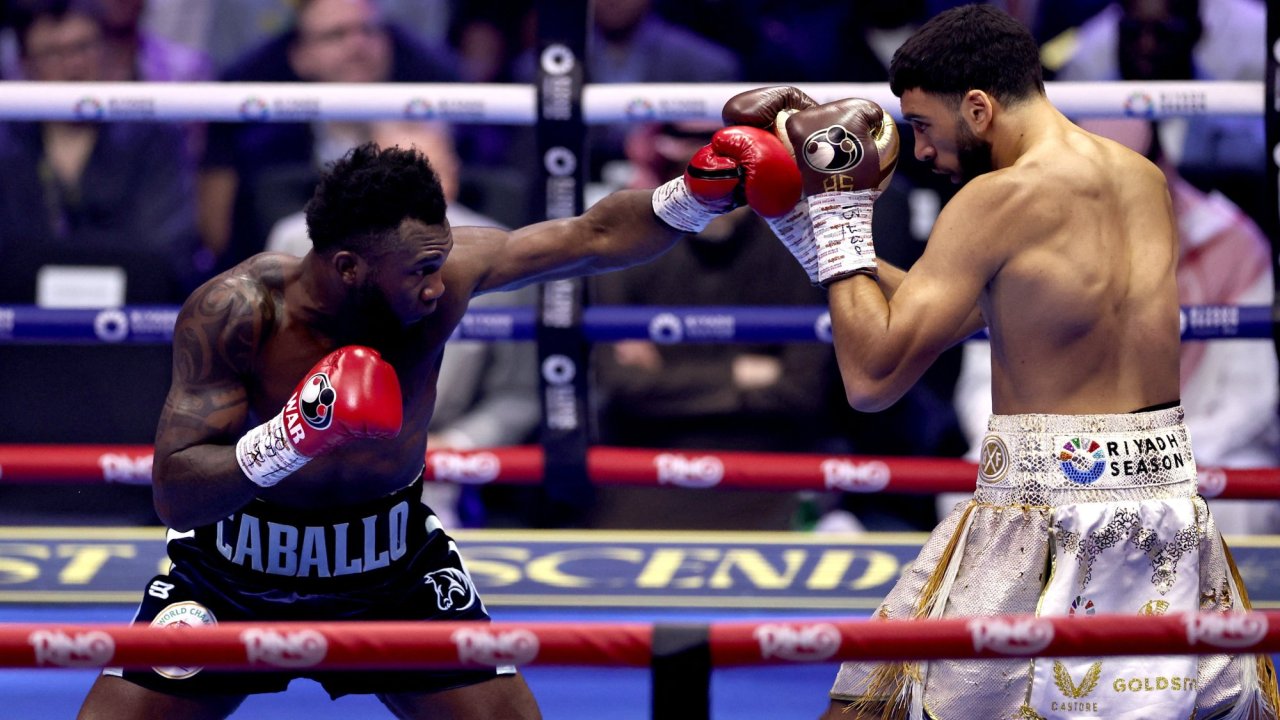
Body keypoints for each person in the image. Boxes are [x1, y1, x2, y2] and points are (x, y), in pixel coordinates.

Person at [76, 112, 803, 717]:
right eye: (419, 271)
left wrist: (694, 195)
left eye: (440, 261)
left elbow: (592, 237)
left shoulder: (444, 273)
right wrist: (291, 437)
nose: (437, 286)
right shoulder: (238, 312)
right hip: (234, 570)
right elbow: (175, 492)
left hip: (391, 568)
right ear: (349, 268)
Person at [721, 6, 1275, 719]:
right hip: (1165, 504)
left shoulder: (995, 200)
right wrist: (808, 230)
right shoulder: (1139, 179)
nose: (921, 151)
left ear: (979, 109)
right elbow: (962, 312)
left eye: (923, 125)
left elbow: (870, 378)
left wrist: (838, 214)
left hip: (1044, 509)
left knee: (868, 708)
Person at [953, 117, 1280, 534]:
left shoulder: (1233, 245)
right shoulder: (1017, 237)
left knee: (1240, 502)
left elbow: (1250, 399)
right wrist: (1050, 454)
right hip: (1064, 451)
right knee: (973, 483)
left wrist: (1148, 459)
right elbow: (981, 389)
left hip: (1191, 449)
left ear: (1157, 171)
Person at [266, 120, 541, 530]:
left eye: (427, 179)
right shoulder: (295, 241)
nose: (409, 196)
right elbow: (266, 367)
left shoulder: (489, 258)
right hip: (308, 452)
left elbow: (517, 394)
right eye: (392, 180)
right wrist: (296, 433)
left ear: (453, 177)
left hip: (430, 464)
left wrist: (454, 446)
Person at [0, 0, 201, 306]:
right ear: (25, 63)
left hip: (134, 320)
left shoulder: (154, 136)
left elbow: (166, 253)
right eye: (53, 53)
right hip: (18, 321)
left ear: (107, 50)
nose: (73, 66)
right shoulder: (6, 144)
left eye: (83, 47)